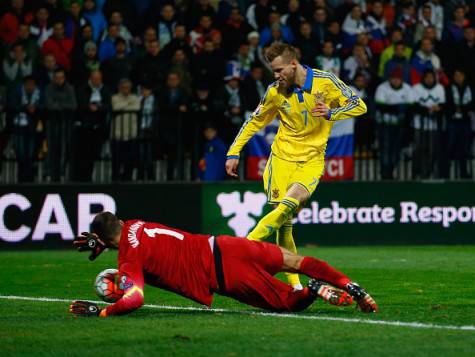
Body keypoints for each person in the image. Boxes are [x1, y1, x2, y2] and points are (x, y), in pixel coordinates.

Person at [225, 43, 367, 290]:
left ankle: (242, 249)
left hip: (311, 160)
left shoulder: (326, 81)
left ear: (293, 64)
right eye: (273, 71)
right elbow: (253, 122)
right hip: (281, 159)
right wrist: (234, 151)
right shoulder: (274, 92)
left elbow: (360, 105)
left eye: (279, 69)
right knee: (285, 222)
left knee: (287, 207)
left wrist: (333, 113)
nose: (276, 75)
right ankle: (296, 285)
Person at [69, 211, 378, 317]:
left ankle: (311, 291)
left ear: (105, 241)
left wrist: (105, 310)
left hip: (225, 274)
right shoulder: (136, 223)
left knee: (288, 303)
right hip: (227, 245)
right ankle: (350, 285)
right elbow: (124, 237)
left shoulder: (129, 259)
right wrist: (105, 240)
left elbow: (135, 297)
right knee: (296, 261)